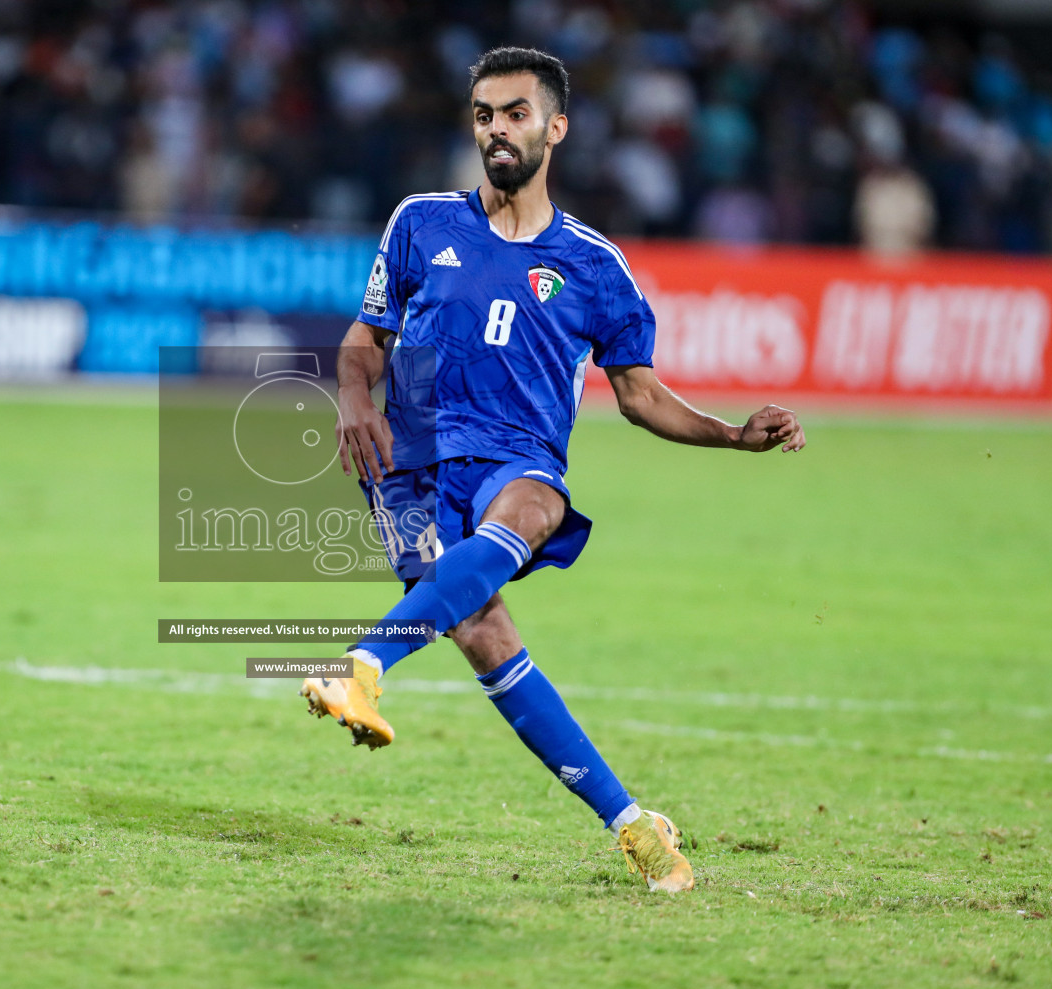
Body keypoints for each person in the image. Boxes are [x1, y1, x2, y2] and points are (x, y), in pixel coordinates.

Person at [301, 47, 806, 894]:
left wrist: (731, 435)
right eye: (484, 115)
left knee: (535, 507)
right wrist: (352, 401)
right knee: (486, 636)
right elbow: (364, 342)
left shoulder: (595, 265)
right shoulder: (420, 223)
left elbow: (640, 397)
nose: (497, 130)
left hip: (518, 456)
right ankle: (634, 825)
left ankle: (363, 665)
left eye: (516, 114)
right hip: (411, 462)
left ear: (555, 128)